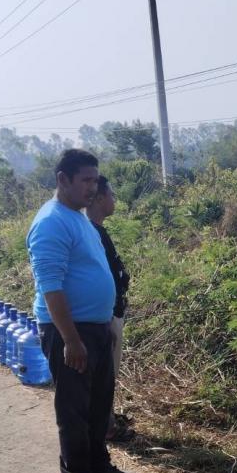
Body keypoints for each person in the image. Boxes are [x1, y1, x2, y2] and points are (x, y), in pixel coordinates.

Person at [26, 149, 138, 473]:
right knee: (74, 407)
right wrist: (71, 340)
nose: (93, 187)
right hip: (69, 330)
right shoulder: (51, 222)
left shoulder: (78, 218)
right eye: (86, 180)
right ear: (63, 179)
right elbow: (51, 286)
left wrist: (104, 323)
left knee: (98, 403)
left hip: (95, 326)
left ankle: (97, 465)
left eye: (95, 180)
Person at [86, 174, 131, 441]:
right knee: (104, 376)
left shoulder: (97, 231)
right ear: (100, 198)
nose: (114, 200)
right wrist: (109, 317)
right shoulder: (91, 233)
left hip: (111, 313)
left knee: (107, 375)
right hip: (106, 317)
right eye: (111, 195)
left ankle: (106, 421)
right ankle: (106, 427)